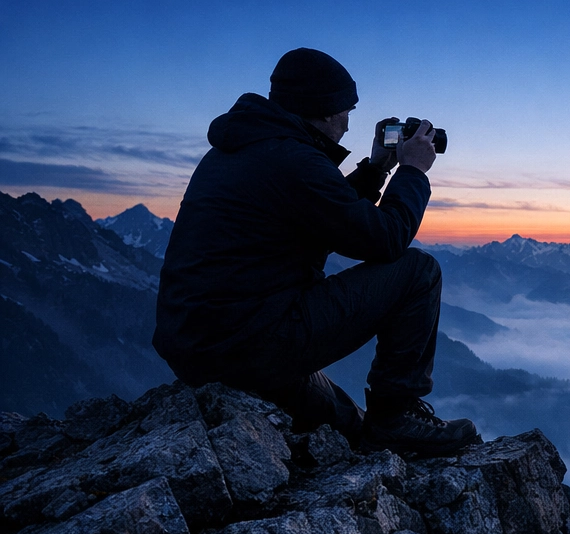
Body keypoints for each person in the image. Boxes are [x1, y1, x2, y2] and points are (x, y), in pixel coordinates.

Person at [153, 47, 480, 456]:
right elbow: (386, 239)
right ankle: (397, 414)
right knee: (418, 271)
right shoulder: (292, 159)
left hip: (204, 347)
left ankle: (379, 427)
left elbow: (328, 214)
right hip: (252, 341)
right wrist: (412, 171)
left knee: (353, 430)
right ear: (326, 111)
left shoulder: (251, 148)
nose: (347, 123)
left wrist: (377, 167)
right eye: (346, 110)